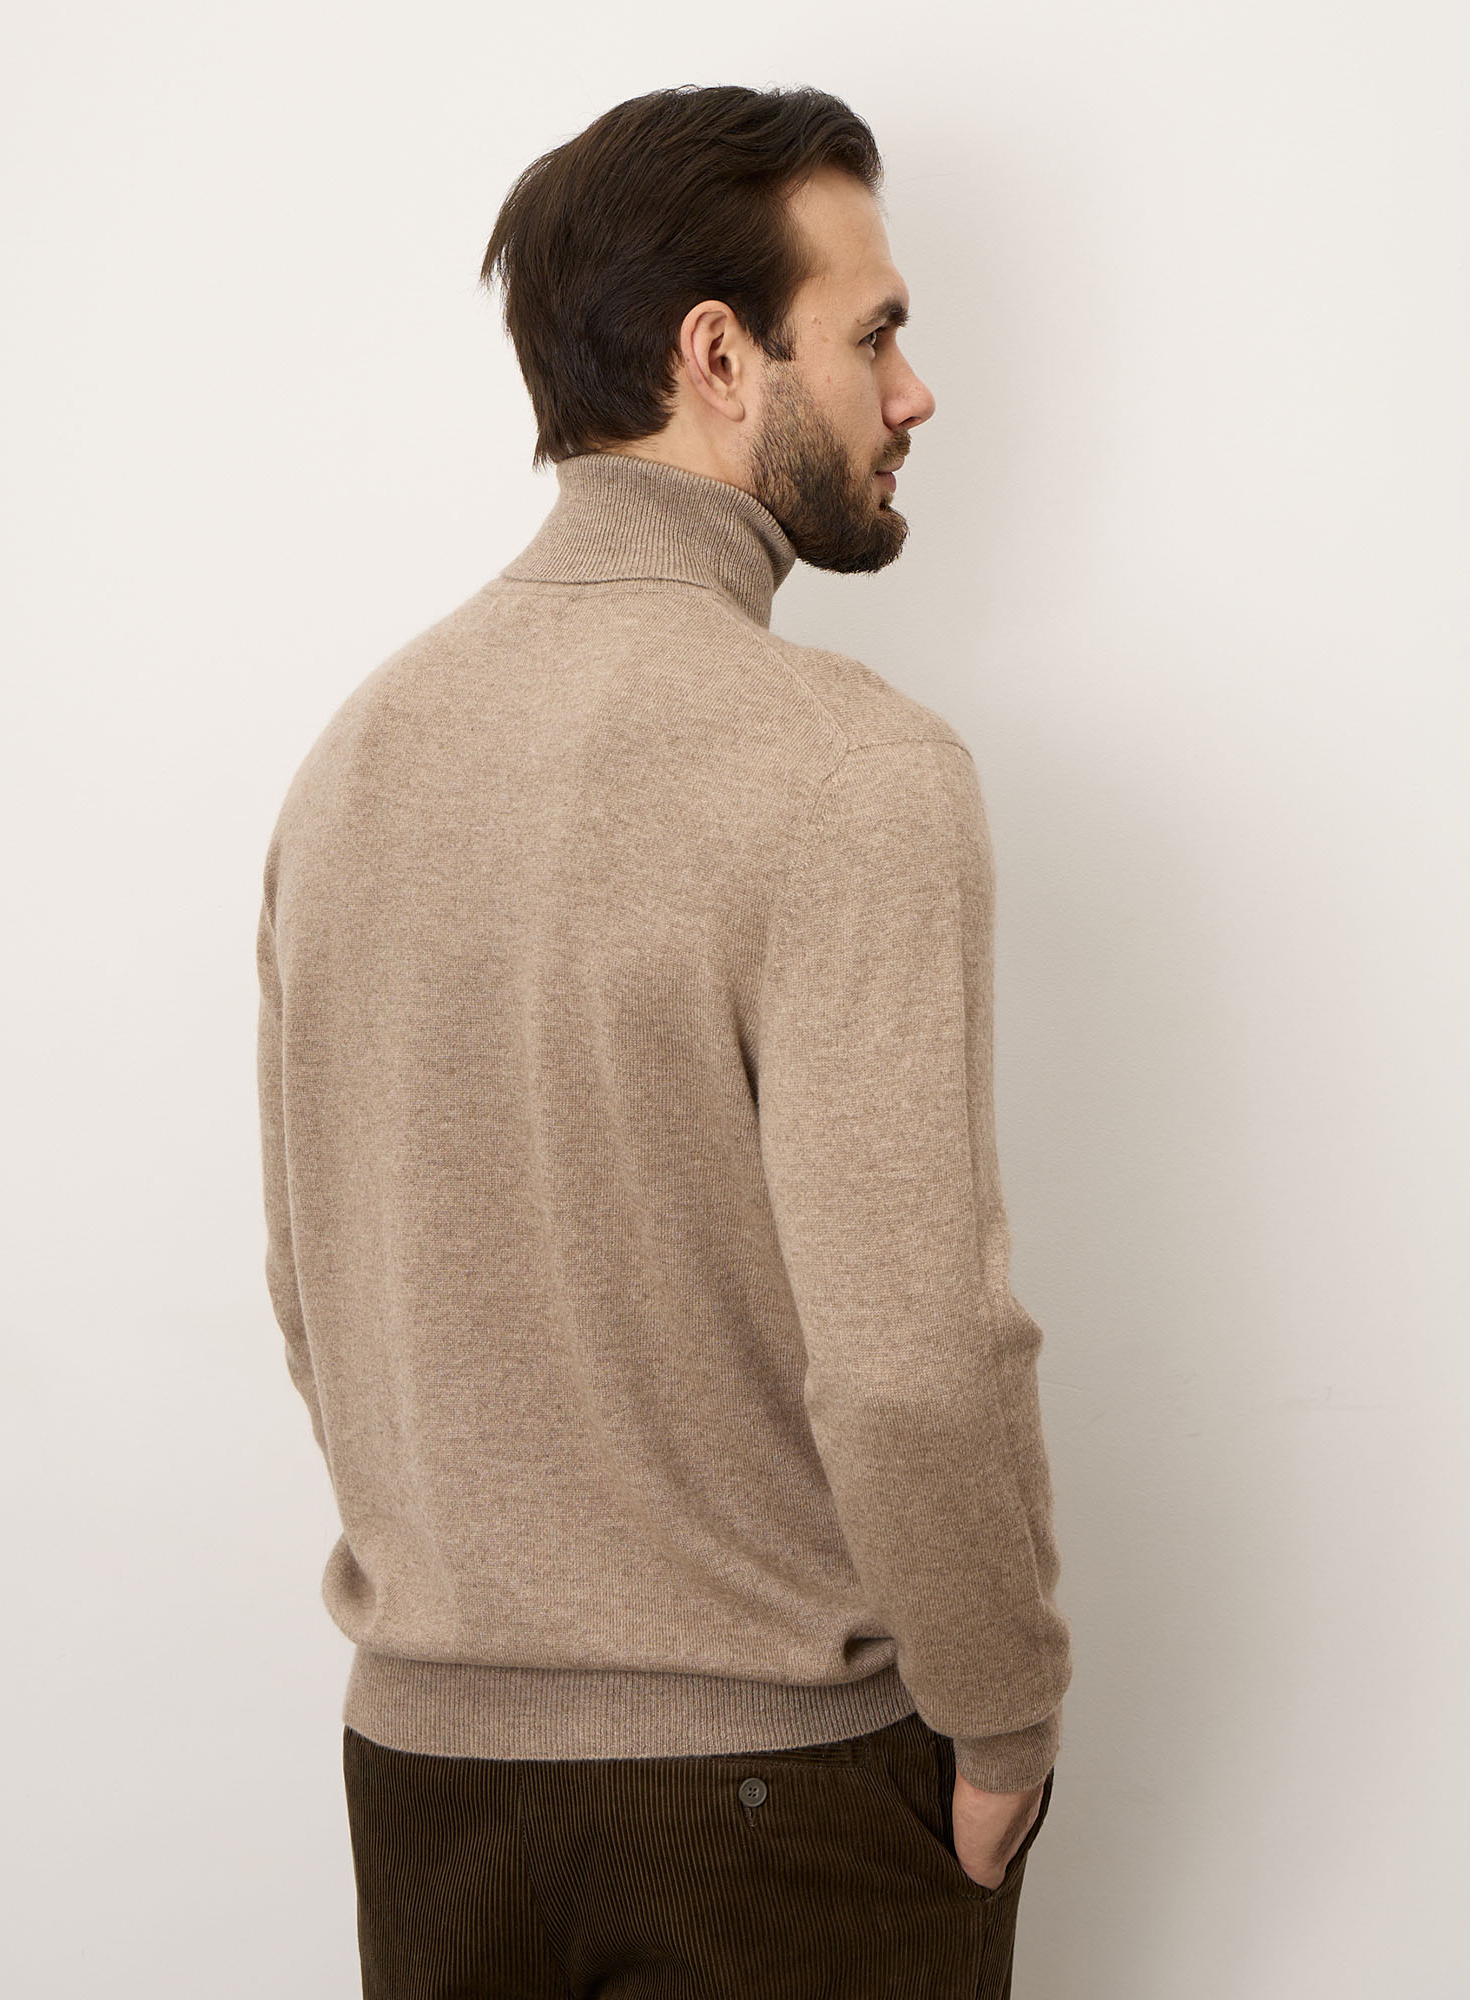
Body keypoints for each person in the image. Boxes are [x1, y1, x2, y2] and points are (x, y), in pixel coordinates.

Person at [255, 81, 1073, 1999]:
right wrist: (1005, 1720)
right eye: (871, 334)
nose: (914, 393)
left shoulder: (353, 762)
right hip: (774, 1806)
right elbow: (914, 1363)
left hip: (425, 1786)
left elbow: (312, 1289)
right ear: (718, 358)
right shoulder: (853, 769)